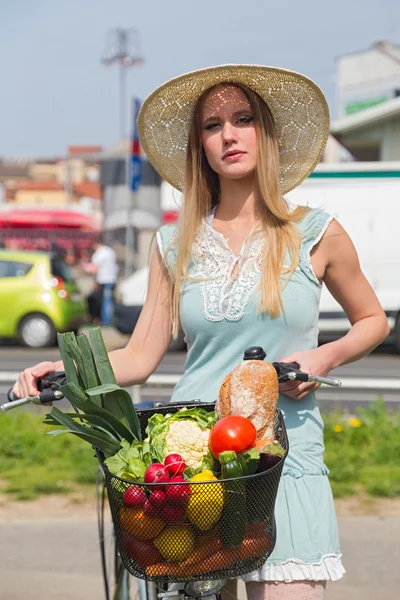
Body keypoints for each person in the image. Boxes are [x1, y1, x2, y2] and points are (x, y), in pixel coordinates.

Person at [13, 65, 389, 599]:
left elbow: (373, 322)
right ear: (200, 146)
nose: (229, 135)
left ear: (267, 133)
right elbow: (141, 356)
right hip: (188, 468)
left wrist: (324, 358)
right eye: (213, 126)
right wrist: (65, 369)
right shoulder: (173, 243)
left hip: (282, 455)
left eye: (243, 119)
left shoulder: (315, 232)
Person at [85, 235, 118, 326]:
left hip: (104, 280)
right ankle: (108, 319)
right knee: (109, 300)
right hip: (112, 278)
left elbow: (94, 269)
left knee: (105, 301)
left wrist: (85, 268)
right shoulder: (110, 251)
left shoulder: (99, 253)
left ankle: (106, 321)